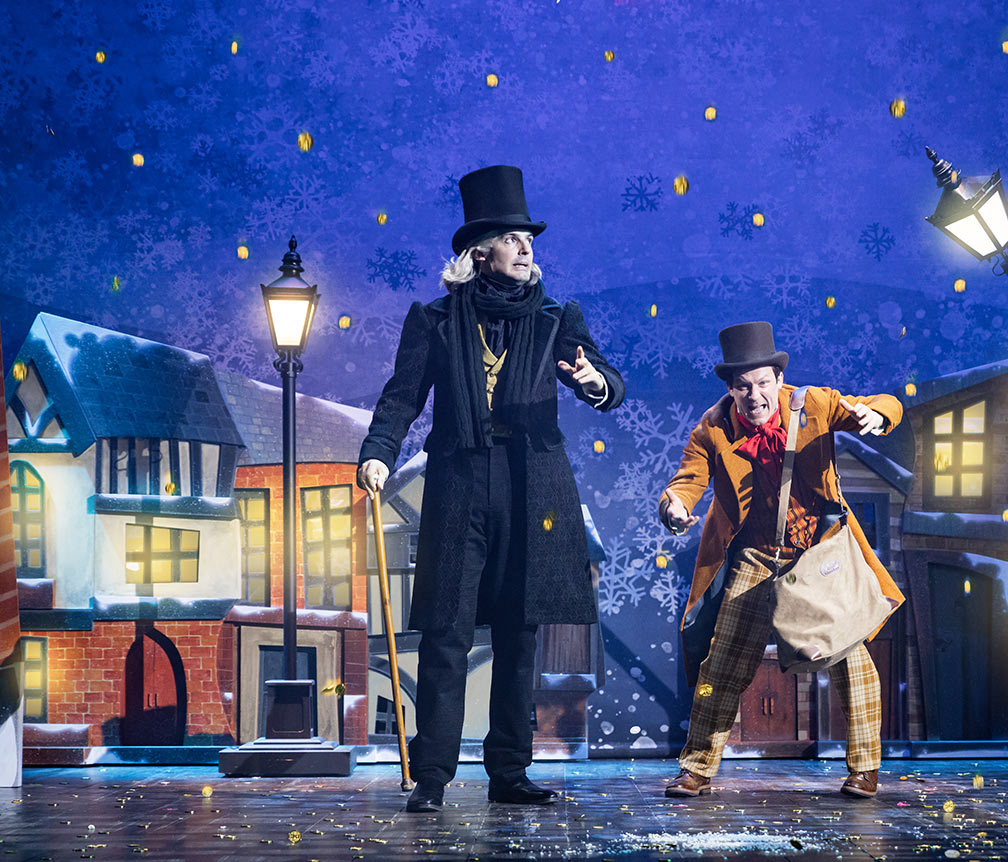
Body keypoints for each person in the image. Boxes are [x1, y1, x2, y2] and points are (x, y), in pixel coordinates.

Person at [356, 165, 624, 812]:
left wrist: (591, 381)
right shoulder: (436, 320)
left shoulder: (558, 318)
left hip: (533, 482)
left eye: (528, 236)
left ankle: (509, 772)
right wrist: (377, 453)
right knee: (447, 630)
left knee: (518, 632)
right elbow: (401, 399)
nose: (527, 246)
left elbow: (610, 385)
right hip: (458, 478)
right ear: (480, 252)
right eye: (512, 237)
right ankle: (433, 777)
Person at [657, 321, 904, 799]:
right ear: (731, 388)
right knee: (721, 666)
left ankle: (865, 768)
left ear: (777, 378)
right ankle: (697, 768)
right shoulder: (712, 429)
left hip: (816, 554)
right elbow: (688, 478)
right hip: (755, 556)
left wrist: (876, 417)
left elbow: (879, 404)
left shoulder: (812, 404)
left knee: (850, 658)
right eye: (743, 387)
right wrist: (675, 506)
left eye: (763, 383)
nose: (755, 396)